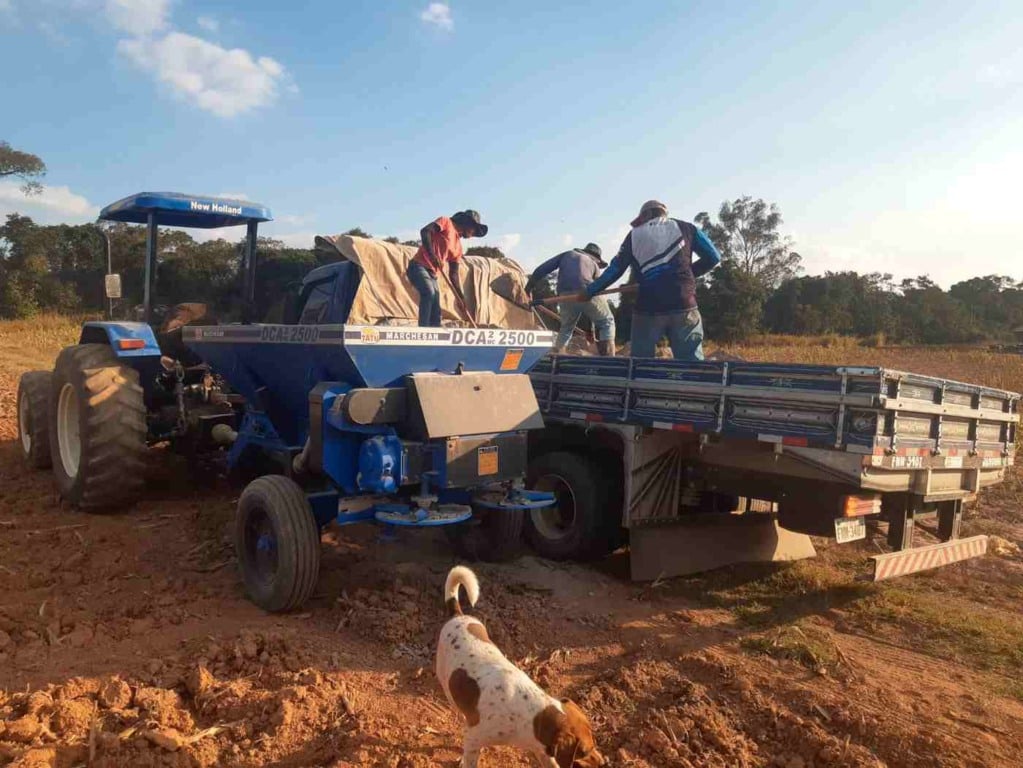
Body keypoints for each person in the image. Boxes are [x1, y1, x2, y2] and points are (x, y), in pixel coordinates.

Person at [582, 200, 721, 360]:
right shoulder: (687, 228)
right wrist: (687, 275)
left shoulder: (634, 235)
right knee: (691, 364)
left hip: (648, 308)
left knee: (639, 364)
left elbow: (615, 269)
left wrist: (589, 291)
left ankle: (641, 382)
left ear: (646, 215)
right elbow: (714, 257)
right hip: (684, 305)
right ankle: (693, 384)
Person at [525, 243, 617, 355]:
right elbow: (592, 297)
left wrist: (528, 288)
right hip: (586, 289)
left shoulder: (567, 254)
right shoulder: (594, 264)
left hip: (564, 295)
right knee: (606, 322)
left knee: (566, 328)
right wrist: (590, 330)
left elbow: (542, 269)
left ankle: (556, 357)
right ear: (597, 258)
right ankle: (609, 358)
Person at [407, 210, 488, 327]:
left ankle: (435, 340)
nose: (473, 233)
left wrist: (461, 298)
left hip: (432, 274)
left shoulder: (458, 248)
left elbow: (453, 275)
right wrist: (432, 255)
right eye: (473, 228)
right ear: (467, 223)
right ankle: (423, 332)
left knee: (436, 309)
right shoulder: (446, 222)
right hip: (418, 266)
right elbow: (425, 232)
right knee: (429, 293)